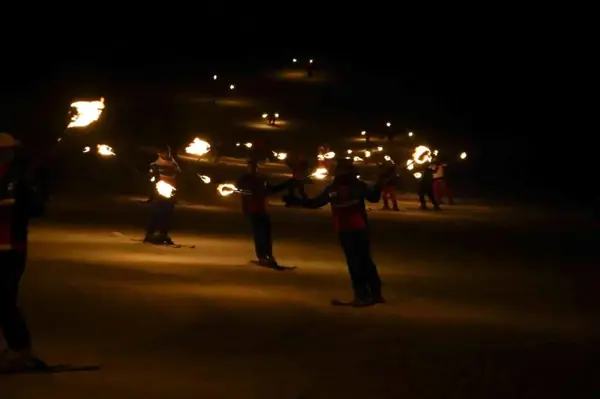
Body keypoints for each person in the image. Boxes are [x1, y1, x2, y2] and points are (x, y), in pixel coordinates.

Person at [286, 158, 384, 307]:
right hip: (359, 228)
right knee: (365, 261)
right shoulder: (355, 186)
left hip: (348, 229)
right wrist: (380, 183)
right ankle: (375, 294)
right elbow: (375, 198)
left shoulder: (336, 188)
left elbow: (316, 203)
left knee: (355, 262)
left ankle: (362, 295)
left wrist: (297, 201)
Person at [0, 133, 49, 372]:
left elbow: (36, 209)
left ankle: (21, 351)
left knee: (5, 300)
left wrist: (31, 189)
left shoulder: (19, 178)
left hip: (11, 249)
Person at [237, 160, 289, 267]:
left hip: (263, 209)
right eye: (251, 167)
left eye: (255, 167)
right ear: (248, 168)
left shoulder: (262, 178)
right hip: (253, 210)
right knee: (259, 234)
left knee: (266, 233)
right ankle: (262, 256)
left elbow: (270, 190)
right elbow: (242, 190)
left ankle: (268, 255)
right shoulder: (245, 180)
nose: (254, 169)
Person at [144, 146, 181, 245]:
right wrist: (152, 195)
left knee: (167, 216)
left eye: (167, 152)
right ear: (159, 154)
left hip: (170, 195)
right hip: (158, 194)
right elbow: (151, 180)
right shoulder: (155, 165)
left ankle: (163, 235)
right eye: (164, 152)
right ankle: (149, 235)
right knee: (155, 215)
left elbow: (179, 178)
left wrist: (176, 194)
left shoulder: (174, 165)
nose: (166, 154)